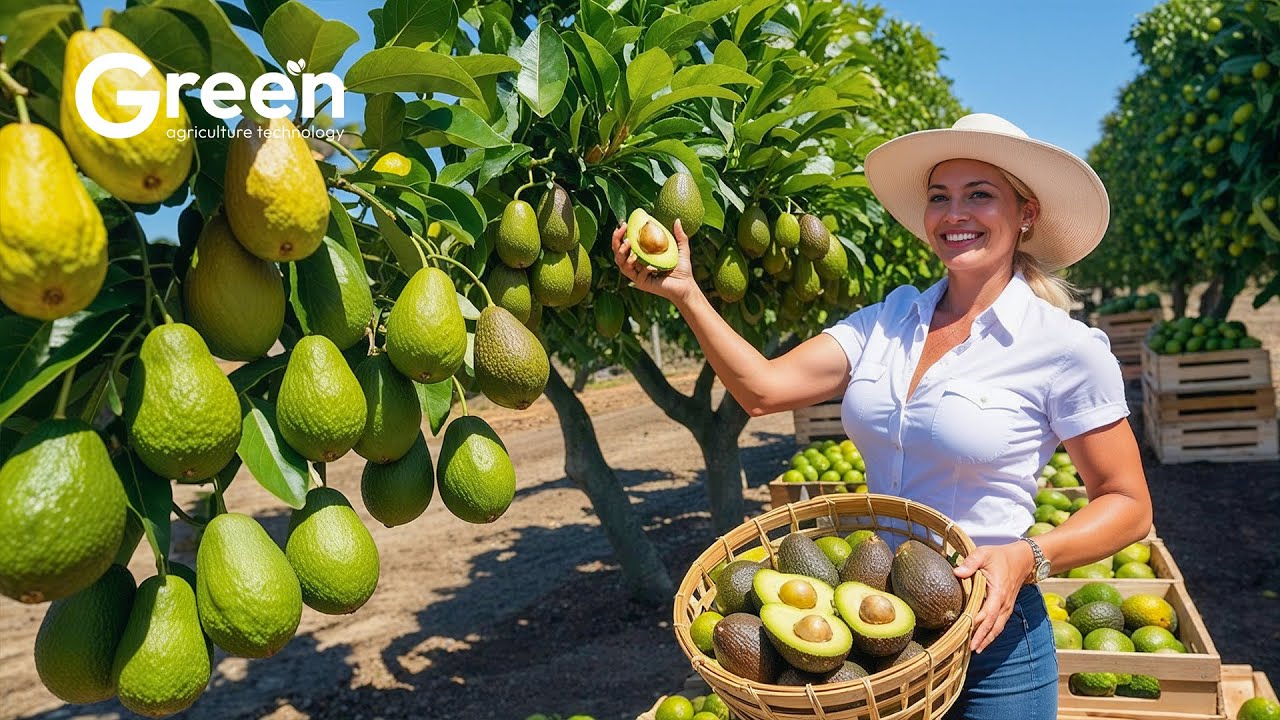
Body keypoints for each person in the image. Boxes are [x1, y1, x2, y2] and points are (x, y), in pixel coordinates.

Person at [611, 113, 1152, 719]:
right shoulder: (887, 322)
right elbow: (763, 389)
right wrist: (686, 290)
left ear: (1026, 213)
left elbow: (1128, 505)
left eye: (980, 195)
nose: (955, 214)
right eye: (939, 197)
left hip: (993, 631)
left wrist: (1028, 555)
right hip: (875, 632)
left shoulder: (1064, 348)